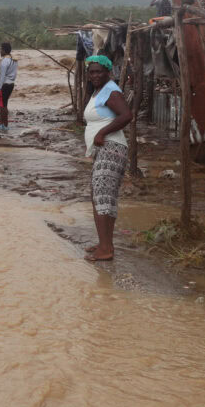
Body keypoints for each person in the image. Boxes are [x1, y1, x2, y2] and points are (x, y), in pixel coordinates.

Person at [82, 55, 132, 262]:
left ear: (108, 72)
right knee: (102, 197)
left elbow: (126, 115)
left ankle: (105, 249)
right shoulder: (99, 92)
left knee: (102, 197)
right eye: (91, 72)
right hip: (105, 150)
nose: (95, 75)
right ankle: (105, 244)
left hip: (111, 148)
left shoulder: (111, 91)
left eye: (98, 71)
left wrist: (101, 134)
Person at [0, 42, 17, 131]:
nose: (0, 51)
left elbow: (2, 76)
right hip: (11, 83)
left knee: (2, 105)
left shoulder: (4, 61)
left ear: (4, 51)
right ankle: (2, 123)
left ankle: (4, 125)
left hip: (4, 85)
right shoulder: (14, 60)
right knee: (4, 104)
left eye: (1, 49)